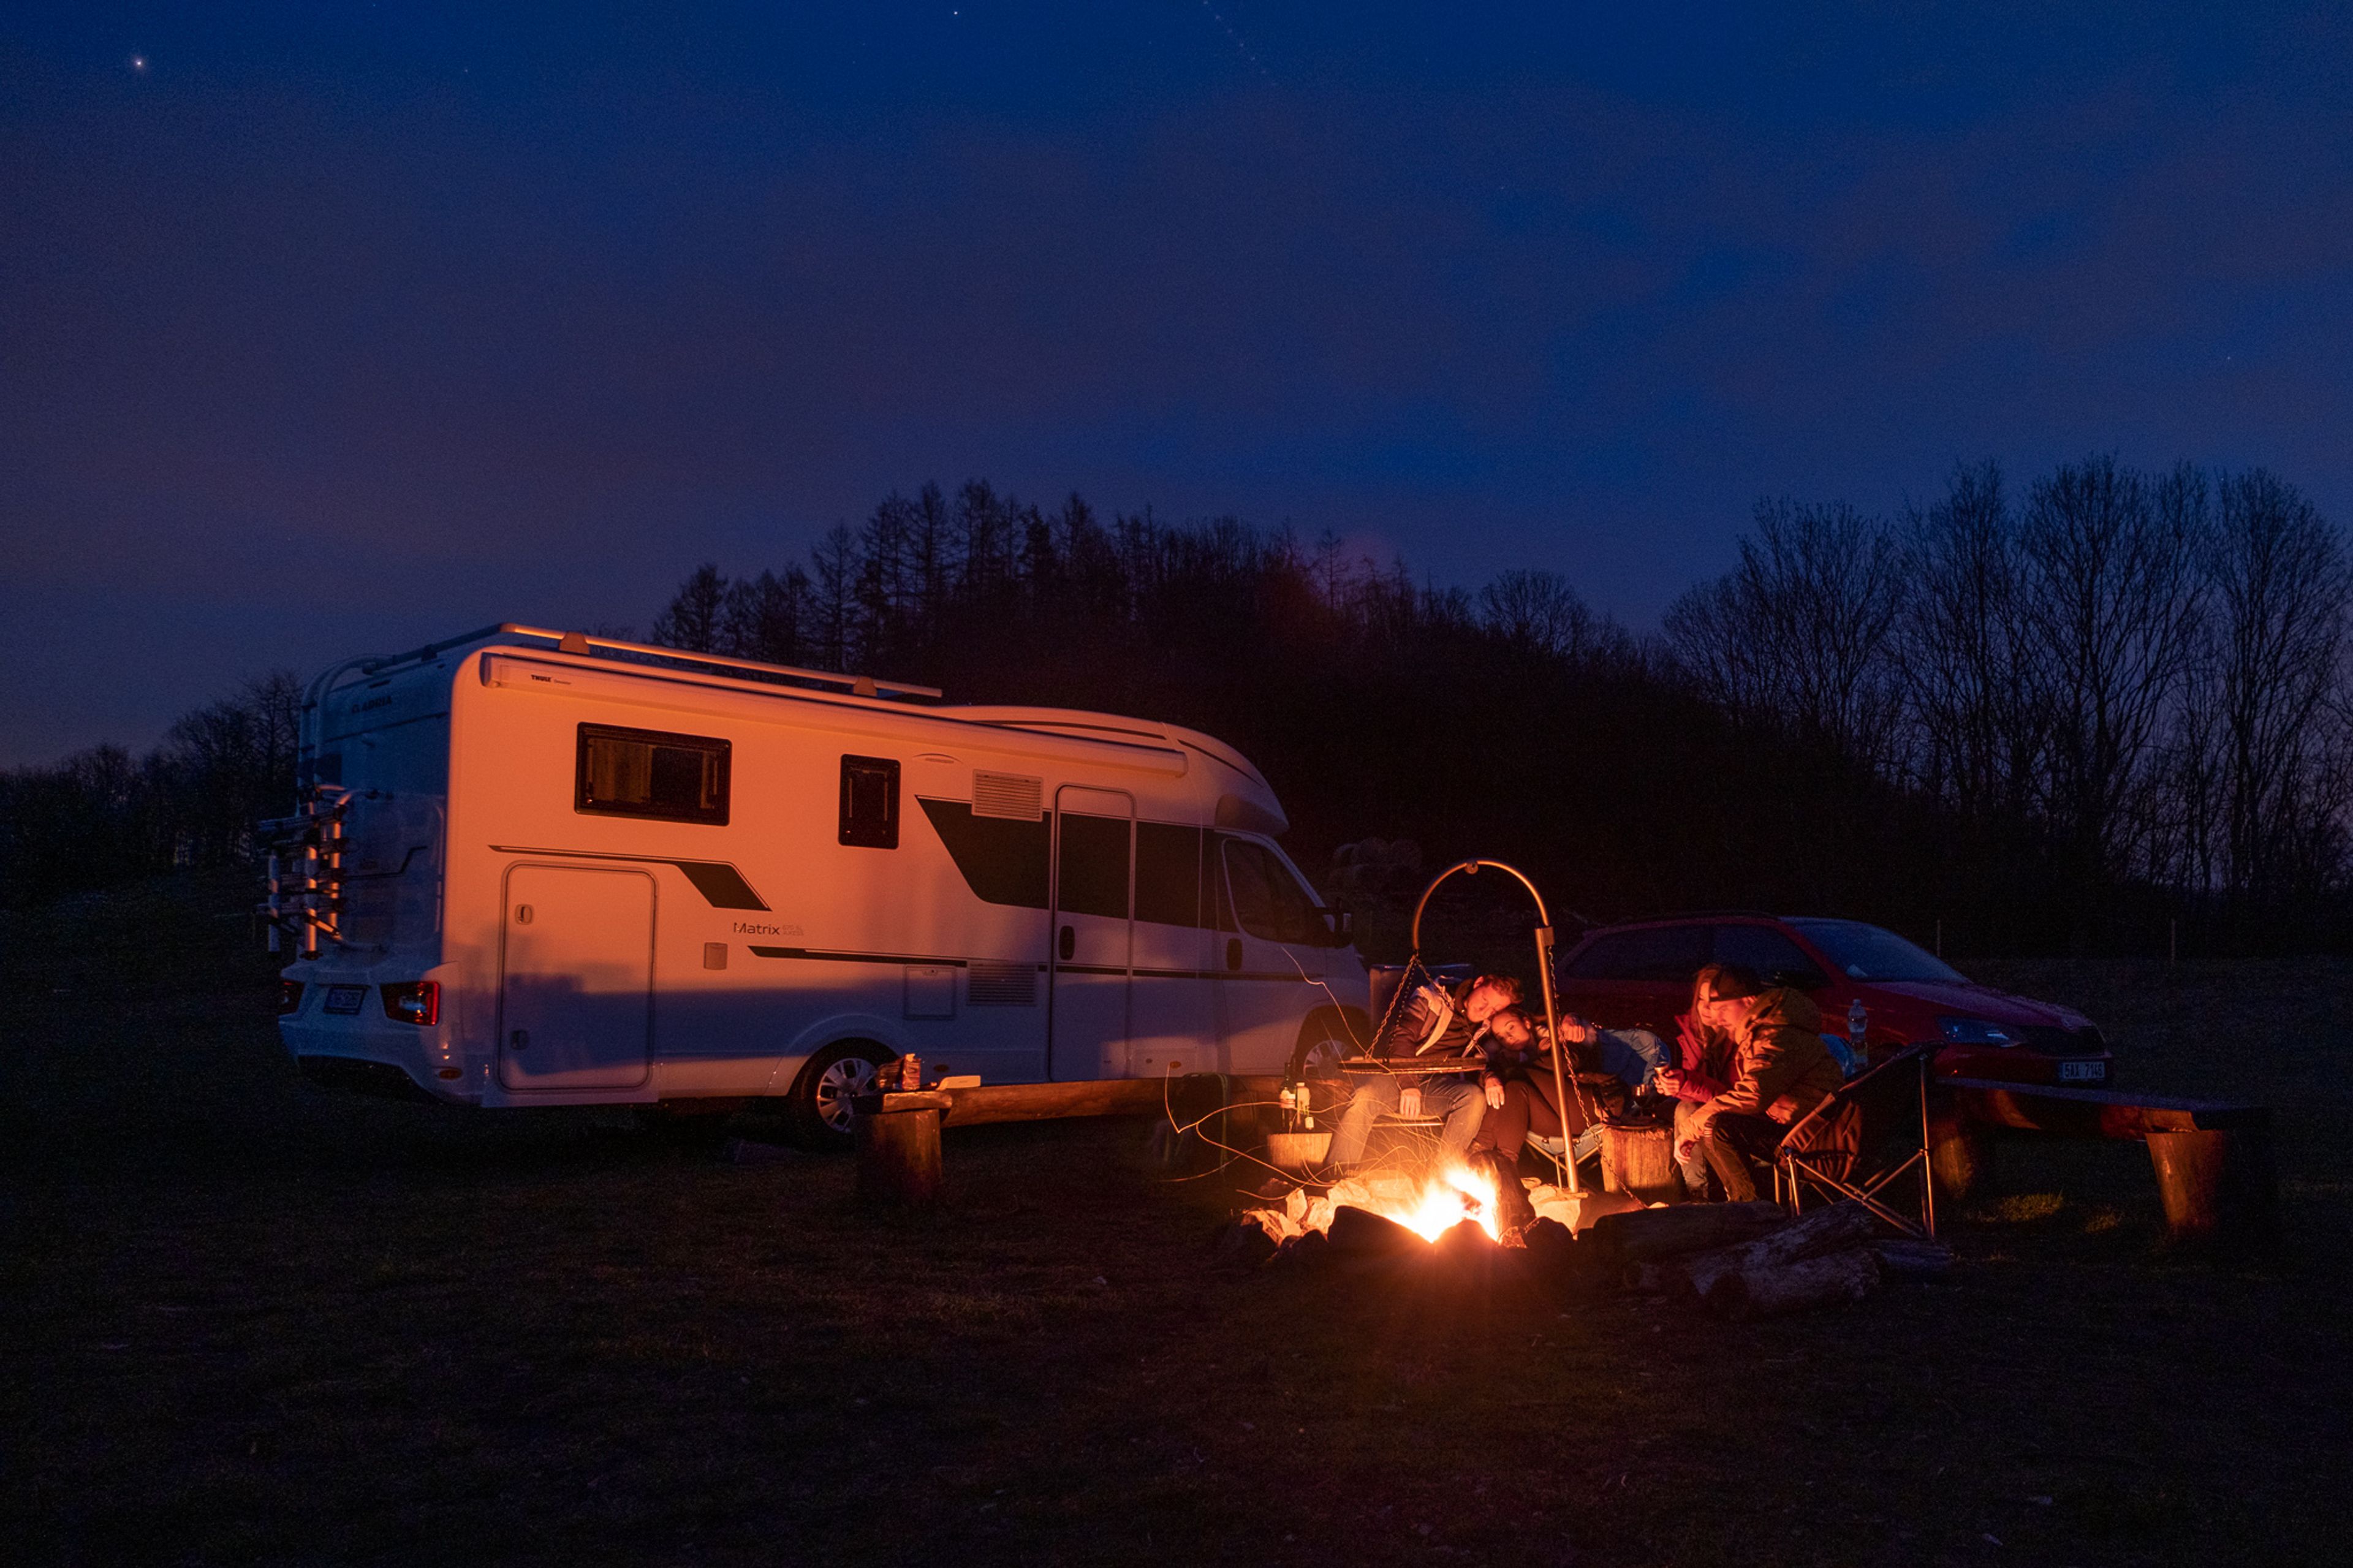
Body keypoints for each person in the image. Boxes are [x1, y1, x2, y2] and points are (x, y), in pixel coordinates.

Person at [1674, 961, 1844, 1203]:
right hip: (1803, 1127)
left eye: (1723, 1008)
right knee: (1714, 1123)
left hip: (1816, 1138)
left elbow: (1752, 1094)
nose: (1718, 1017)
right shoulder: (1765, 1030)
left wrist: (1690, 1127)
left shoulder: (1776, 1035)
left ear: (1748, 1001)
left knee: (1718, 1127)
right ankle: (1734, 1203)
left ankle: (1749, 1209)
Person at [1327, 971, 1521, 1170]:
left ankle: (1442, 1174)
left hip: (1433, 1085)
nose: (1485, 1011)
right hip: (1394, 1077)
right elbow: (1402, 1036)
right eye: (1485, 1000)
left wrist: (1490, 1077)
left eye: (1495, 1009)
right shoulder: (1430, 1000)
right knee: (1364, 1097)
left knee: (1473, 1098)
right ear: (1478, 983)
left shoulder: (1485, 1024)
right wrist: (1409, 1084)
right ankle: (1339, 1173)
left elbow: (1485, 1058)